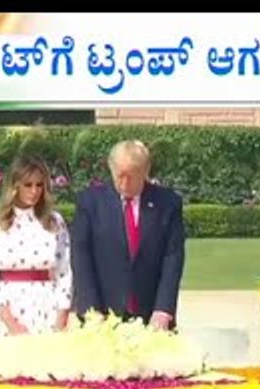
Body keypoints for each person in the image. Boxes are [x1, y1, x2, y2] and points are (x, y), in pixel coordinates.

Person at [71, 139, 185, 330]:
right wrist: (91, 309)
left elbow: (173, 257)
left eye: (132, 176)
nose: (124, 183)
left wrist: (164, 309)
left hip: (152, 317)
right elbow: (81, 256)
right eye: (119, 176)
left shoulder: (168, 204)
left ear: (146, 171)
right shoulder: (89, 203)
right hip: (102, 316)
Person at [0, 156, 72, 364]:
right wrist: (10, 322)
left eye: (39, 185)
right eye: (28, 185)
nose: (34, 191)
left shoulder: (54, 221)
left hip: (46, 308)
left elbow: (64, 273)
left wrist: (60, 320)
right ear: (14, 185)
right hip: (5, 311)